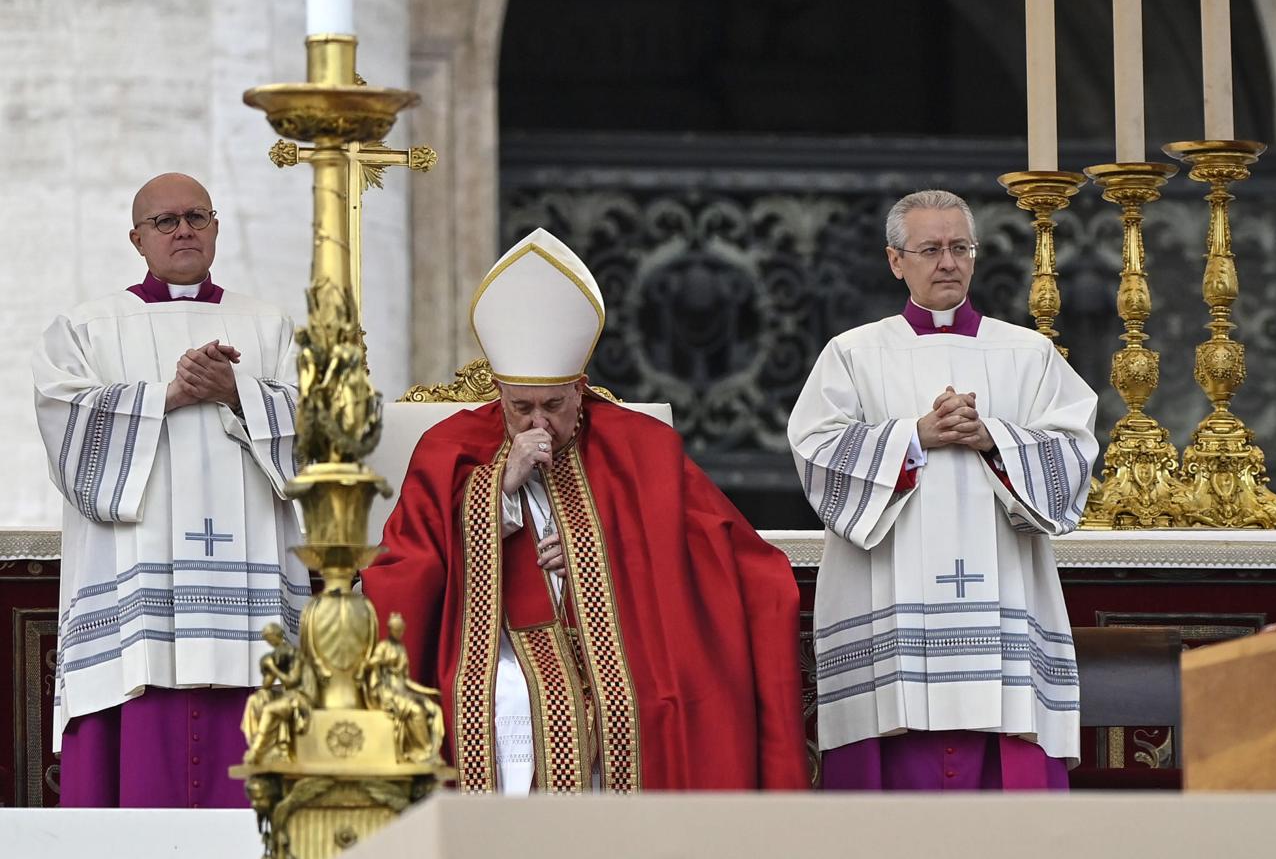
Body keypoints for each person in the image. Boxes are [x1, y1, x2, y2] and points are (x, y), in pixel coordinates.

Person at [362, 229, 808, 792]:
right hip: (496, 649)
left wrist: (596, 561)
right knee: (508, 700)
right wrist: (497, 493)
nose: (538, 422)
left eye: (553, 405)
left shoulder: (639, 447)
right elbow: (406, 565)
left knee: (642, 701)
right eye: (520, 407)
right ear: (498, 394)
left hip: (624, 642)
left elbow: (717, 555)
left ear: (581, 389)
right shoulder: (451, 448)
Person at [788, 189, 1098, 790]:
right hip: (887, 609)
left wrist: (994, 440)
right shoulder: (853, 353)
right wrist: (914, 436)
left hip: (1006, 597)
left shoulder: (1028, 353)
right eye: (929, 249)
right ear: (895, 260)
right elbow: (816, 451)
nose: (947, 262)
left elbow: (1074, 452)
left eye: (960, 248)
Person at [32, 172, 305, 809]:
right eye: (165, 221)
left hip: (249, 597)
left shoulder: (268, 325)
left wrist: (238, 393)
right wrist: (170, 396)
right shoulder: (86, 327)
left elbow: (320, 435)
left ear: (215, 227)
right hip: (140, 595)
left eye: (196, 216)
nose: (183, 230)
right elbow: (63, 425)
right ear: (137, 238)